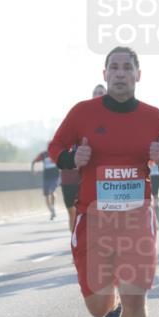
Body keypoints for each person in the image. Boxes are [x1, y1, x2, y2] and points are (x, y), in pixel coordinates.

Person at [48, 46, 159, 317]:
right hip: (93, 220)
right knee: (96, 307)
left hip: (136, 219)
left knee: (137, 298)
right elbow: (55, 148)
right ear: (104, 75)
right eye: (114, 68)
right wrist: (73, 156)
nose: (120, 73)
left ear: (138, 75)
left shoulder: (154, 117)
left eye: (127, 67)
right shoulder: (82, 113)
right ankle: (112, 301)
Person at [59, 84, 106, 232]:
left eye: (101, 93)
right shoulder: (80, 116)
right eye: (96, 93)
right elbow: (62, 144)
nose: (98, 95)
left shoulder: (114, 119)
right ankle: (76, 244)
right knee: (72, 212)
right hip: (70, 177)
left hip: (98, 177)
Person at [31, 148, 61, 220]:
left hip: (55, 177)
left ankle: (53, 207)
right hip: (46, 177)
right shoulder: (43, 154)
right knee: (46, 196)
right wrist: (33, 170)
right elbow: (34, 161)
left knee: (52, 192)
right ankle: (51, 211)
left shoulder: (57, 152)